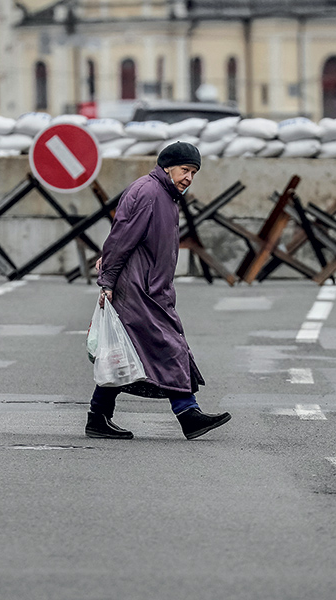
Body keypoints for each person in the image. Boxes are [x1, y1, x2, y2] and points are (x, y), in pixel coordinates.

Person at [85, 141, 231, 440]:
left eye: (193, 172)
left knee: (122, 353)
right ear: (167, 167)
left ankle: (97, 417)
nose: (189, 177)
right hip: (137, 287)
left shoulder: (164, 194)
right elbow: (122, 237)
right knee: (168, 347)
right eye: (184, 170)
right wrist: (108, 281)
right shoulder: (149, 193)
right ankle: (188, 414)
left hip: (152, 287)